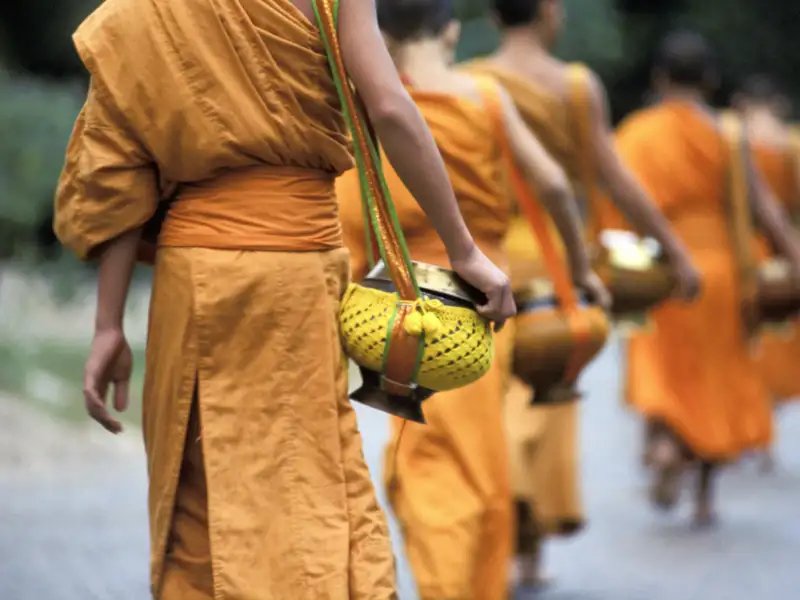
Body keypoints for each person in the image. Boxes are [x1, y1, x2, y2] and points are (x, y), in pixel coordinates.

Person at [52, 0, 516, 598]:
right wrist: (463, 248)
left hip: (194, 273)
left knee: (202, 492)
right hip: (296, 270)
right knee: (311, 476)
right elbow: (389, 107)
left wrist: (108, 324)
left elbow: (118, 163)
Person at [335, 1, 606, 598]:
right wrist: (579, 268)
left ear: (379, 32)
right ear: (452, 29)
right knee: (478, 457)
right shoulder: (483, 96)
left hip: (395, 309)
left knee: (426, 457)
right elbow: (555, 187)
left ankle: (446, 582)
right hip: (480, 307)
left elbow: (349, 206)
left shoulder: (369, 103)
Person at [461, 0, 700, 587]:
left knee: (493, 394)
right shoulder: (573, 85)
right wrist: (673, 249)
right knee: (549, 392)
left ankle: (499, 509)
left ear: (493, 16)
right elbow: (616, 177)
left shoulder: (469, 83)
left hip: (486, 252)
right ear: (548, 11)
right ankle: (529, 553)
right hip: (554, 256)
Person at [605, 31, 800, 527]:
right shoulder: (728, 135)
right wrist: (794, 258)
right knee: (715, 377)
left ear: (658, 78)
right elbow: (764, 209)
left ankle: (665, 444)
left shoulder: (637, 133)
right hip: (722, 273)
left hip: (658, 270)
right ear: (711, 80)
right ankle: (704, 496)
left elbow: (618, 206)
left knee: (663, 366)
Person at [731, 75, 800, 472]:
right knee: (776, 346)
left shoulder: (730, 137)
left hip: (741, 251)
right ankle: (762, 428)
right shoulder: (789, 142)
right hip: (781, 256)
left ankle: (749, 427)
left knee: (745, 347)